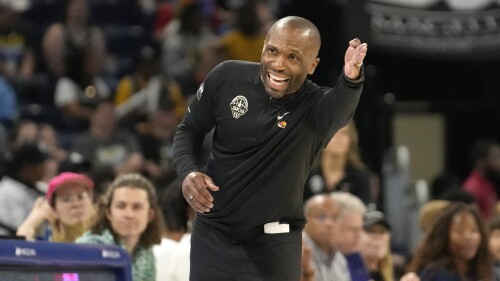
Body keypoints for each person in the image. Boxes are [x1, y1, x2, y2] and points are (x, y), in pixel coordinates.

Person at [173, 15, 367, 280]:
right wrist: (188, 172)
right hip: (213, 233)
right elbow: (188, 130)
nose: (278, 64)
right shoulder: (227, 77)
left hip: (275, 245)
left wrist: (351, 76)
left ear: (313, 65)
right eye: (272, 51)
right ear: (263, 47)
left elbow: (342, 108)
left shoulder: (316, 109)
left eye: (293, 57)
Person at [76, 173, 163, 281]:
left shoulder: (147, 254)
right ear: (109, 213)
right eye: (121, 206)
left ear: (150, 215)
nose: (129, 214)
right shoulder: (87, 248)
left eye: (137, 207)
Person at [407, 202, 491, 281]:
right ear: (443, 236)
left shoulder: (478, 270)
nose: (468, 237)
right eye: (460, 231)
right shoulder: (436, 274)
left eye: (474, 230)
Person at [304, 120, 372, 204]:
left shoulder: (360, 177)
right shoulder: (306, 175)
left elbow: (364, 212)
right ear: (321, 139)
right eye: (333, 132)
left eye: (344, 133)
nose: (338, 138)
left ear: (351, 139)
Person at [16, 172, 95, 242]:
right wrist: (30, 224)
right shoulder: (45, 246)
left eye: (81, 197)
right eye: (66, 199)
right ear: (52, 209)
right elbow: (19, 249)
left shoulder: (104, 241)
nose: (76, 204)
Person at [302, 194, 351, 281]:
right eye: (321, 217)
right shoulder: (296, 253)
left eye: (334, 218)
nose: (329, 224)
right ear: (305, 219)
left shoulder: (340, 259)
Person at [462, 138, 500, 219]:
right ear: (481, 161)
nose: (499, 162)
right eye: (496, 157)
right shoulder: (472, 187)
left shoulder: (488, 184)